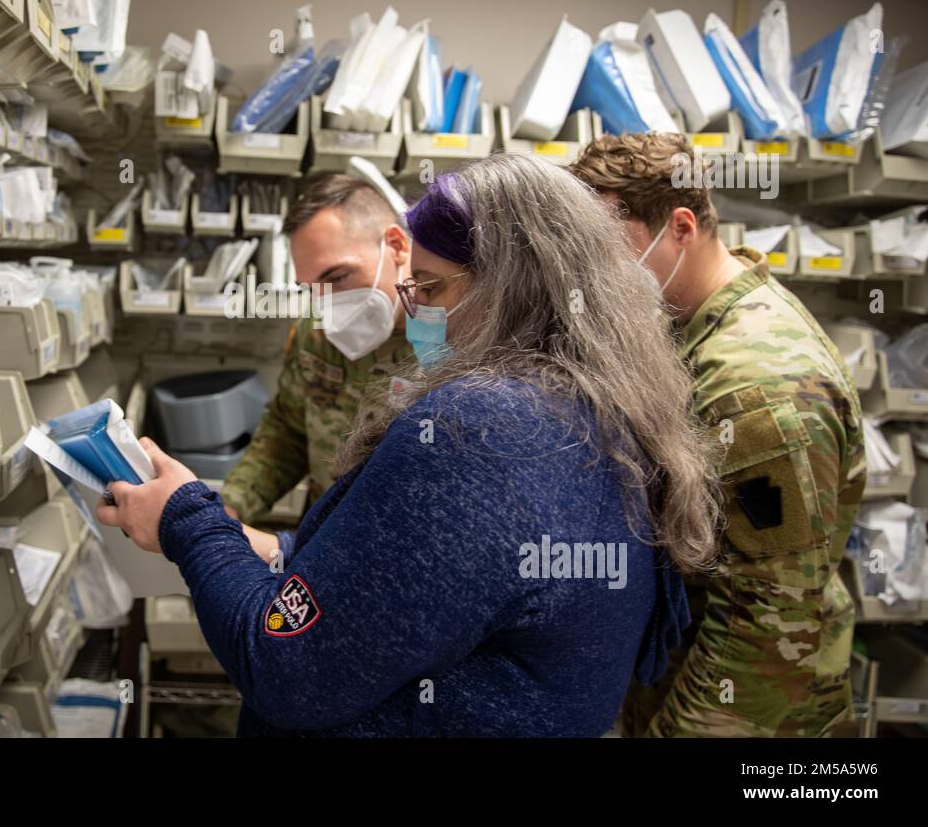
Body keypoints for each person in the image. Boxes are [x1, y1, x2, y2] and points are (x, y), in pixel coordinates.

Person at [101, 154, 719, 737]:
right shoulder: (601, 402)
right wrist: (262, 540)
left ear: (511, 285)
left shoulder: (477, 426)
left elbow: (286, 670)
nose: (416, 307)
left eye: (430, 287)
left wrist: (189, 519)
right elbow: (422, 565)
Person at [569, 132, 866, 737]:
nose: (598, 273)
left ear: (681, 225)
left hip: (758, 721)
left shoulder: (758, 390)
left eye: (611, 249)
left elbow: (769, 626)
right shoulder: (684, 327)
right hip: (680, 683)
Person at [221, 174, 414, 527]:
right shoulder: (318, 329)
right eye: (311, 288)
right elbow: (289, 429)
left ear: (397, 245)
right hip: (321, 531)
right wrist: (230, 509)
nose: (327, 304)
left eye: (338, 277)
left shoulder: (459, 344)